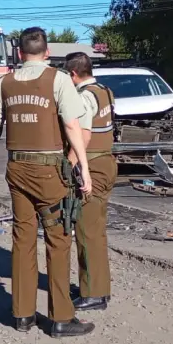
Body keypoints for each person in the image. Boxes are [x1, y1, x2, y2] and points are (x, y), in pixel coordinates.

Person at [0, 27, 95, 338]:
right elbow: (72, 124)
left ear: (19, 54)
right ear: (46, 53)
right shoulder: (57, 79)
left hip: (16, 167)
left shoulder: (5, 82)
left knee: (22, 237)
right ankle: (60, 318)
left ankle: (22, 314)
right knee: (58, 239)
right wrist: (83, 168)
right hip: (49, 171)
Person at [64, 51, 117, 312]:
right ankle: (98, 286)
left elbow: (82, 137)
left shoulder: (84, 97)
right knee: (97, 230)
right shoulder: (104, 90)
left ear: (73, 74)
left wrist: (69, 164)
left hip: (93, 166)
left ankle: (93, 293)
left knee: (87, 231)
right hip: (106, 162)